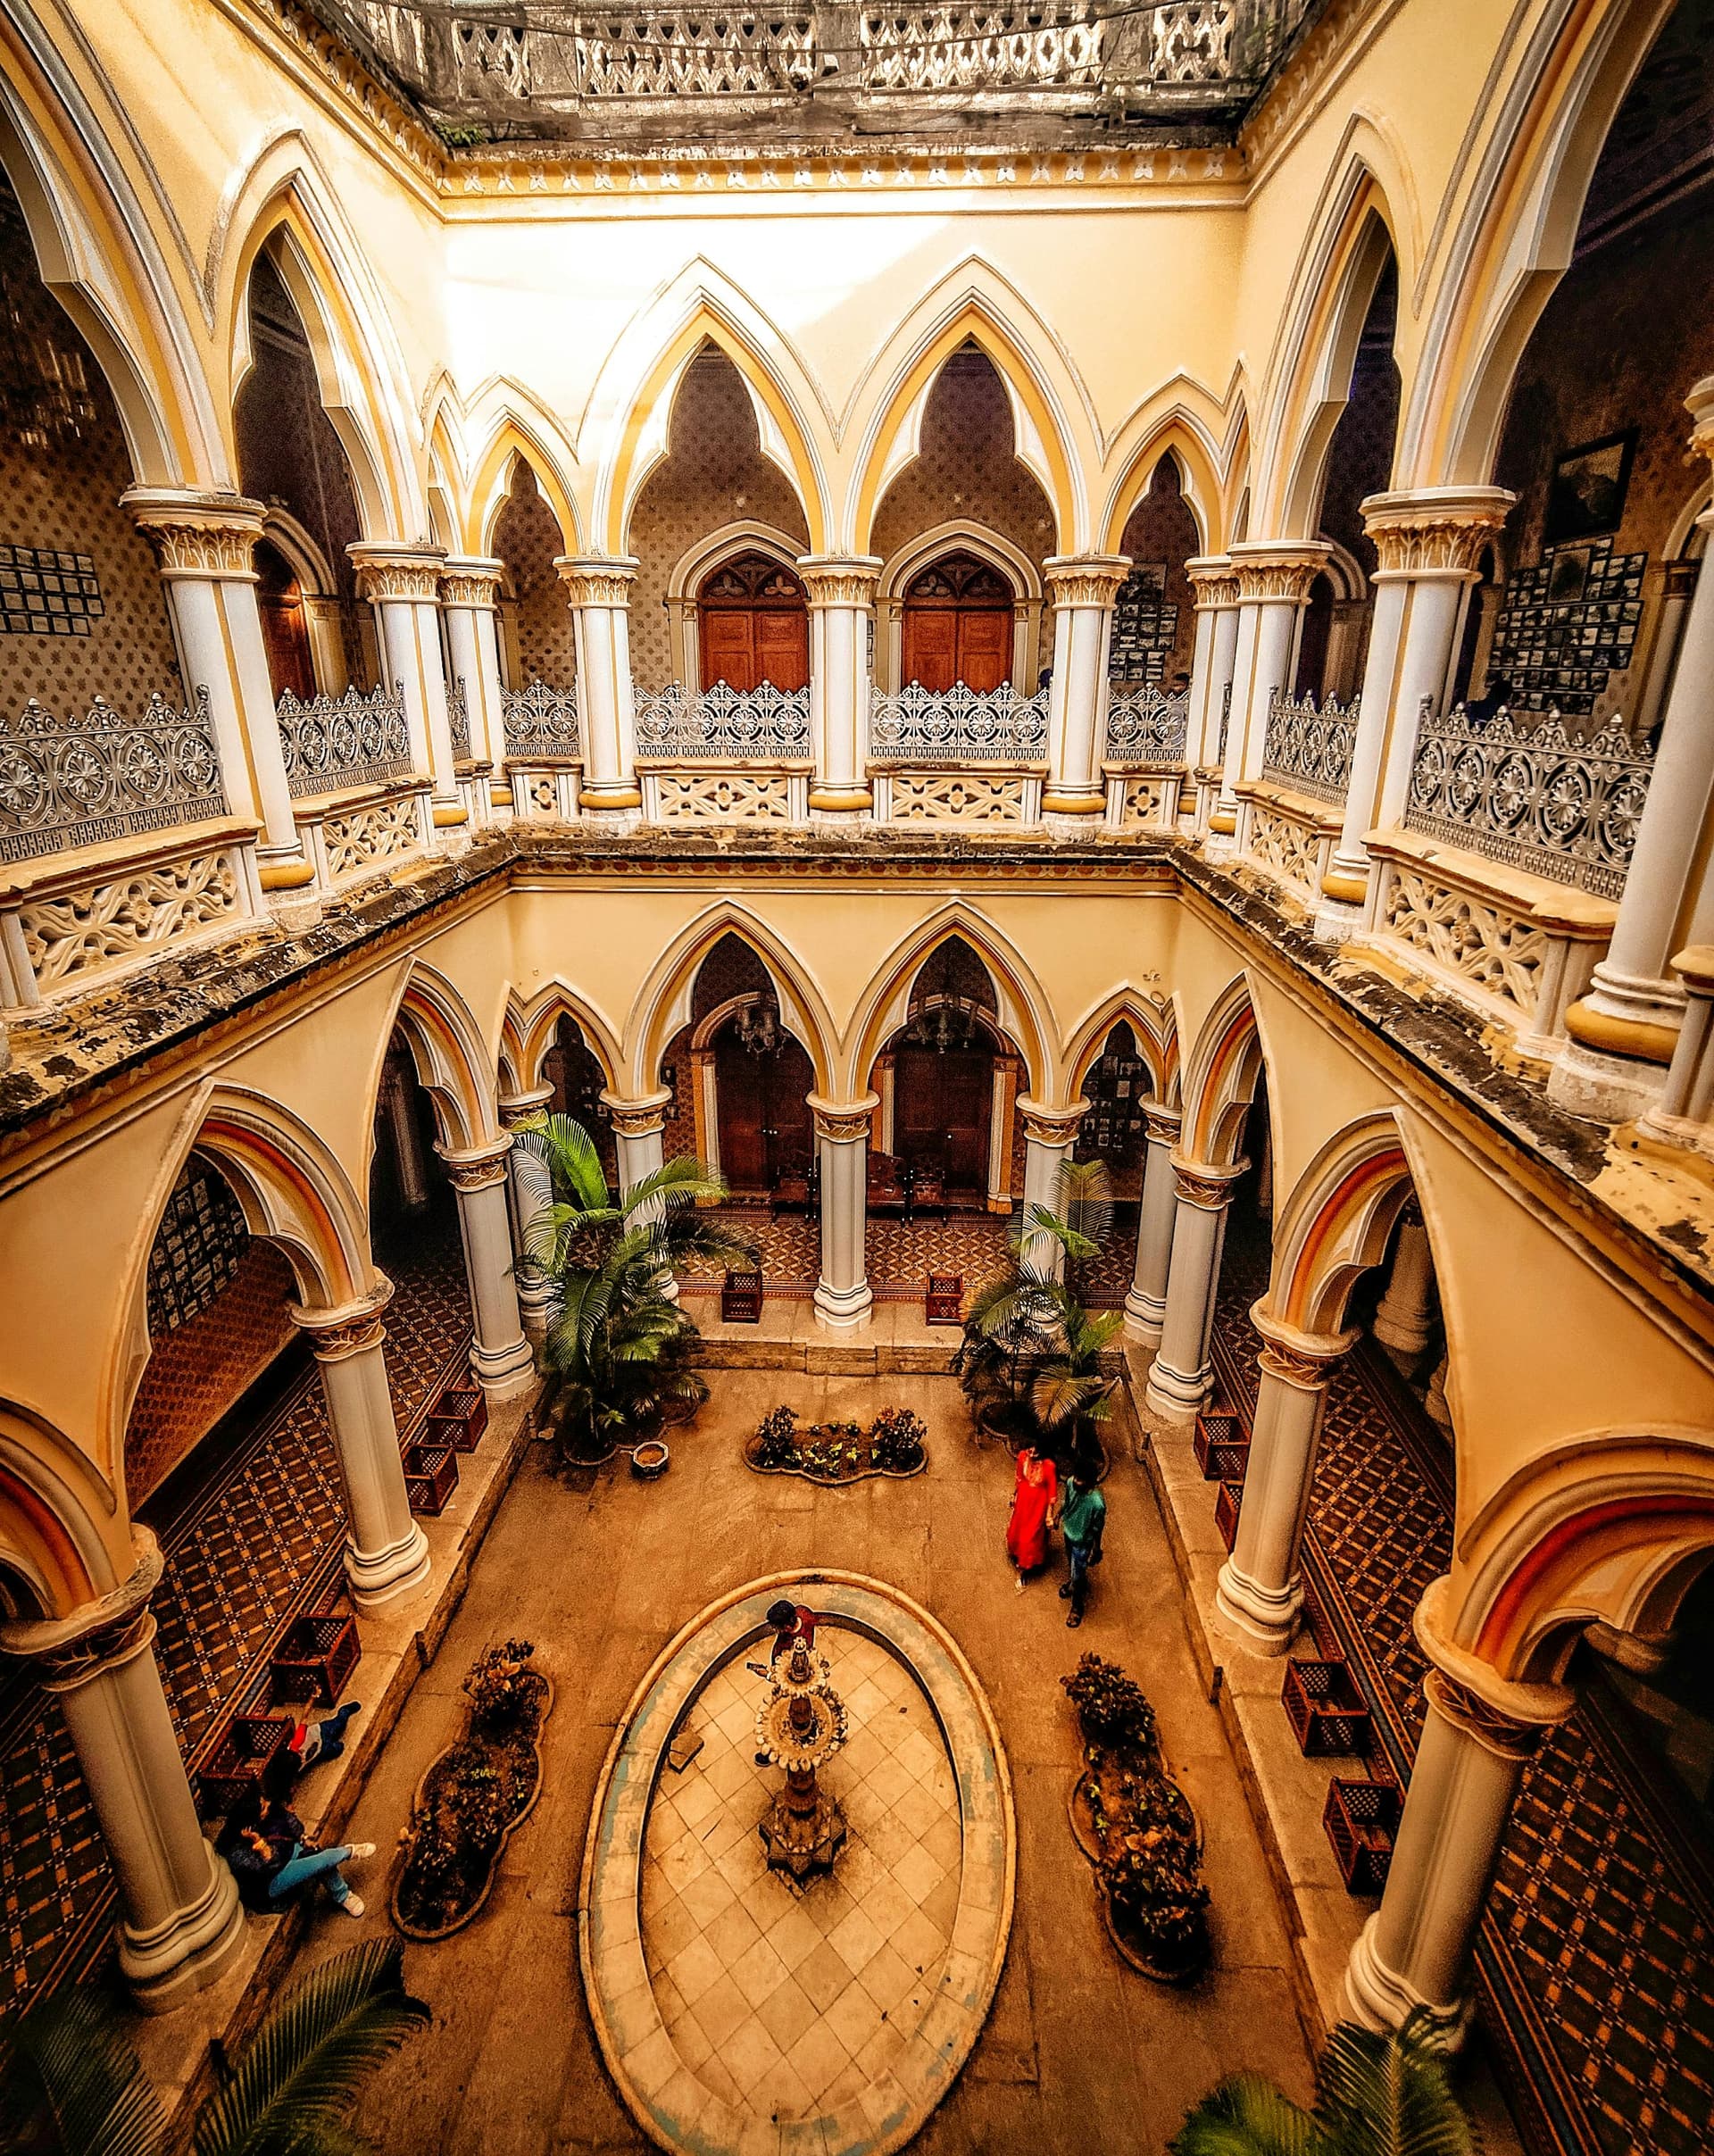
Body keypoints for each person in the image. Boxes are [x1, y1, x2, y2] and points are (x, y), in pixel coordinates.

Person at [217, 1745, 376, 1919]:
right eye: (262, 1807)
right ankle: (348, 1852)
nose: (267, 1806)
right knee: (318, 1863)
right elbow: (272, 1862)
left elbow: (292, 1826)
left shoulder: (264, 1815)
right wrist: (260, 1843)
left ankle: (343, 1895)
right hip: (271, 1880)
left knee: (316, 1854)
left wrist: (302, 1837)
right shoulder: (237, 1855)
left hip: (285, 1852)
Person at [1057, 1470, 1107, 1627]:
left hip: (1083, 1543)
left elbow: (1097, 1528)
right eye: (1077, 1478)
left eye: (1081, 1480)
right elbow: (1066, 1502)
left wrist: (1096, 1549)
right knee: (1071, 1563)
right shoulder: (1070, 1483)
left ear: (1091, 1482)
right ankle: (1074, 1582)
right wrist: (1058, 1516)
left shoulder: (1097, 1503)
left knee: (1078, 1575)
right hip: (1068, 1533)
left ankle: (1077, 1607)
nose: (1076, 1482)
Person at [1005, 1445, 1058, 1588]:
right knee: (1019, 1529)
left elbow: (1052, 1492)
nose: (1032, 1455)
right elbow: (1019, 1478)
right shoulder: (1022, 1456)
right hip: (1023, 1501)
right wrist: (1014, 1495)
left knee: (1031, 1536)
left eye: (1036, 1452)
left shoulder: (1049, 1466)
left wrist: (1049, 1515)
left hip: (1038, 1506)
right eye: (1030, 1451)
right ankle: (1018, 1554)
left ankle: (1023, 1569)